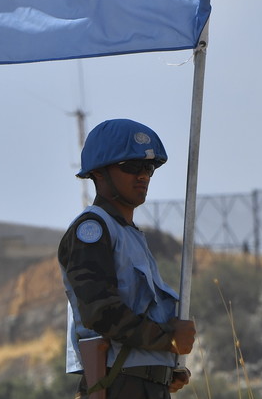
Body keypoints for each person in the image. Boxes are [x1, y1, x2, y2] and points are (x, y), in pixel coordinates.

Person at [59, 119, 197, 399]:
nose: (143, 175)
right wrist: (167, 339)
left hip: (145, 385)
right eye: (131, 167)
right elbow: (101, 312)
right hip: (117, 384)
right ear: (99, 172)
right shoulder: (93, 230)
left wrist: (167, 365)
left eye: (148, 168)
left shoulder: (129, 234)